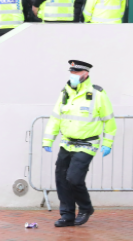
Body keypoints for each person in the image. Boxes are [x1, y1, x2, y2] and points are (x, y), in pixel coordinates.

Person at [42, 60, 116, 227]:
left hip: (87, 144)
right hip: (66, 143)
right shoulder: (65, 93)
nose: (73, 75)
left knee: (74, 178)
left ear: (86, 74)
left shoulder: (98, 94)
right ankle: (67, 215)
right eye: (72, 72)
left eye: (77, 72)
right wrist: (48, 139)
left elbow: (109, 121)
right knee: (61, 178)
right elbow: (55, 118)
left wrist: (108, 143)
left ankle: (85, 208)